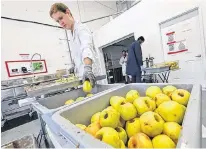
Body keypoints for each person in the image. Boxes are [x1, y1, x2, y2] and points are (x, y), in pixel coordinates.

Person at [50, 3, 98, 87]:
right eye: (58, 21)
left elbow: (86, 47)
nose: (61, 23)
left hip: (91, 78)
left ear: (68, 12)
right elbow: (77, 55)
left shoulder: (81, 28)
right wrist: (74, 66)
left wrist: (88, 68)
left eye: (61, 18)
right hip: (83, 80)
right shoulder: (71, 34)